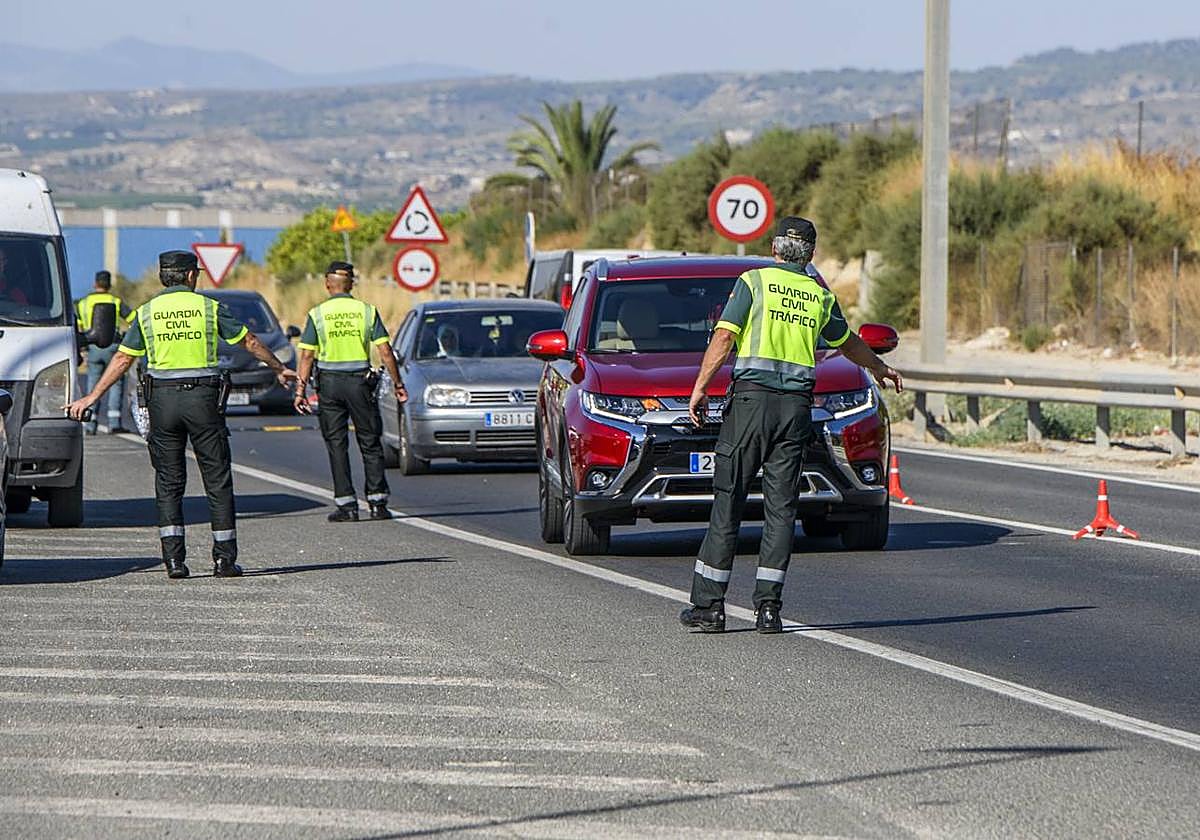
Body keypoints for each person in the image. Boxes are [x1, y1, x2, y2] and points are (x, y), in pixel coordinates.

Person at [680, 217, 903, 634]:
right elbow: (848, 341)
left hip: (751, 406)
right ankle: (769, 609)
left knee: (729, 500)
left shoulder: (754, 282)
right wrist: (880, 367)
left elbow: (725, 338)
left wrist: (700, 388)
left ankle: (710, 607)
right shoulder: (819, 295)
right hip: (795, 410)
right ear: (812, 254)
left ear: (774, 248)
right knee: (781, 509)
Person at [65, 251, 298, 580]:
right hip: (203, 399)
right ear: (190, 276)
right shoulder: (209, 308)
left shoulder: (146, 314)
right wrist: (280, 369)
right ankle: (224, 560)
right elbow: (249, 341)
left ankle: (174, 561)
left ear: (164, 277)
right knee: (216, 479)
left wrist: (92, 396)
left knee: (168, 481)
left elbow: (122, 360)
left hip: (163, 402)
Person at [293, 261, 407, 522]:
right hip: (360, 383)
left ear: (327, 283)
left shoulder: (318, 313)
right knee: (369, 440)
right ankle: (378, 502)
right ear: (351, 284)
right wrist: (398, 384)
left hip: (330, 384)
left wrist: (300, 390)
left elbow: (307, 355)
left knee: (336, 443)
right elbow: (385, 352)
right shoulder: (367, 311)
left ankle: (347, 505)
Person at [75, 270, 135, 435]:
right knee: (115, 382)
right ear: (108, 285)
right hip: (112, 346)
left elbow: (80, 326)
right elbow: (133, 319)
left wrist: (83, 347)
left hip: (92, 347)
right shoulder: (115, 301)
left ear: (95, 283)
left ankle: (90, 423)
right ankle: (114, 423)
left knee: (93, 383)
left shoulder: (83, 303)